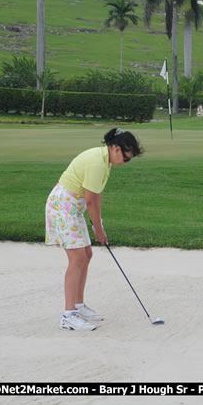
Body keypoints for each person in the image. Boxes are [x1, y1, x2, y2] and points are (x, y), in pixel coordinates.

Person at [45, 127, 144, 331]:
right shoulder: (98, 163)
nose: (126, 162)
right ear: (116, 149)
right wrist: (98, 230)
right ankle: (68, 315)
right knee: (77, 258)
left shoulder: (104, 160)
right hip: (63, 206)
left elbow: (94, 198)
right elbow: (91, 201)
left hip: (73, 207)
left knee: (87, 254)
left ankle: (78, 306)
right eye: (126, 158)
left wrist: (100, 226)